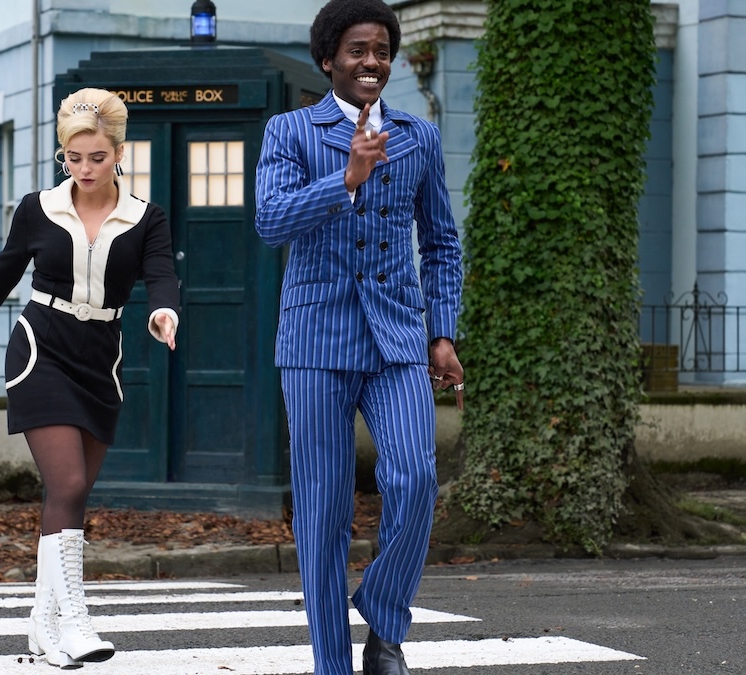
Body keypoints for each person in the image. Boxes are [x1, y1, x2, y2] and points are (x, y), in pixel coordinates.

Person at [255, 1, 465, 673]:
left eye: (381, 51)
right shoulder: (290, 131)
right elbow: (270, 219)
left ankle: (383, 615)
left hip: (398, 339)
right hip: (316, 340)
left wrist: (443, 333)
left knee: (415, 476)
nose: (371, 61)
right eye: (356, 50)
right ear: (328, 60)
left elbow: (441, 242)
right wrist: (345, 177)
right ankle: (332, 664)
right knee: (323, 515)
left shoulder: (418, 137)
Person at [0, 87, 180, 668]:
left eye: (96, 157)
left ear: (119, 152)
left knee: (69, 494)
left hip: (99, 356)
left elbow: (161, 275)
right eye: (73, 158)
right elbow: (7, 264)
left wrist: (163, 312)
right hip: (42, 348)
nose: (84, 169)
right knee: (70, 484)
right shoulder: (38, 208)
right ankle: (76, 618)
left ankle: (43, 624)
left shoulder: (145, 217)